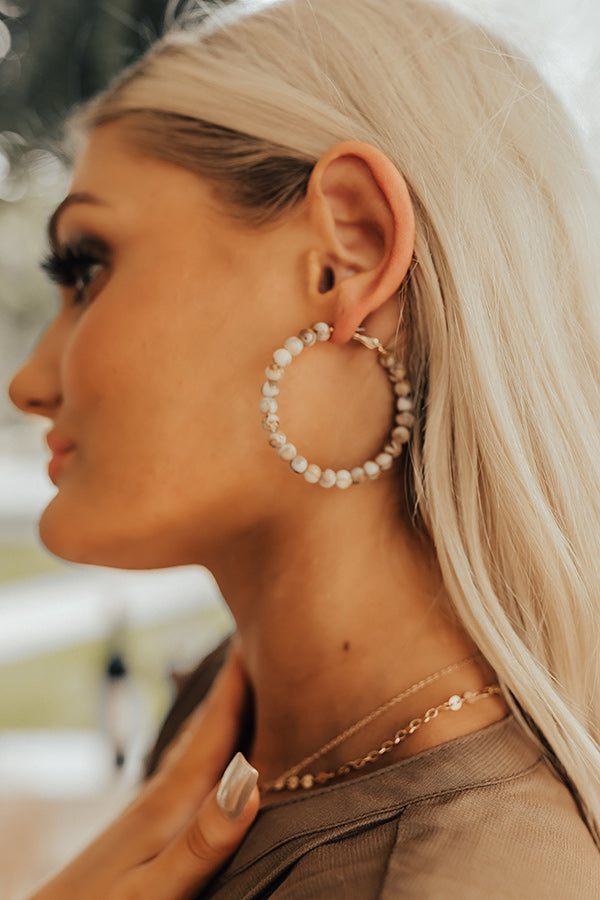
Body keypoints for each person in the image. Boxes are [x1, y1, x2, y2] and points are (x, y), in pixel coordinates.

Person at [9, 0, 600, 896]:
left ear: (347, 251)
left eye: (89, 269)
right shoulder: (233, 716)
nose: (29, 383)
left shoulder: (474, 874)